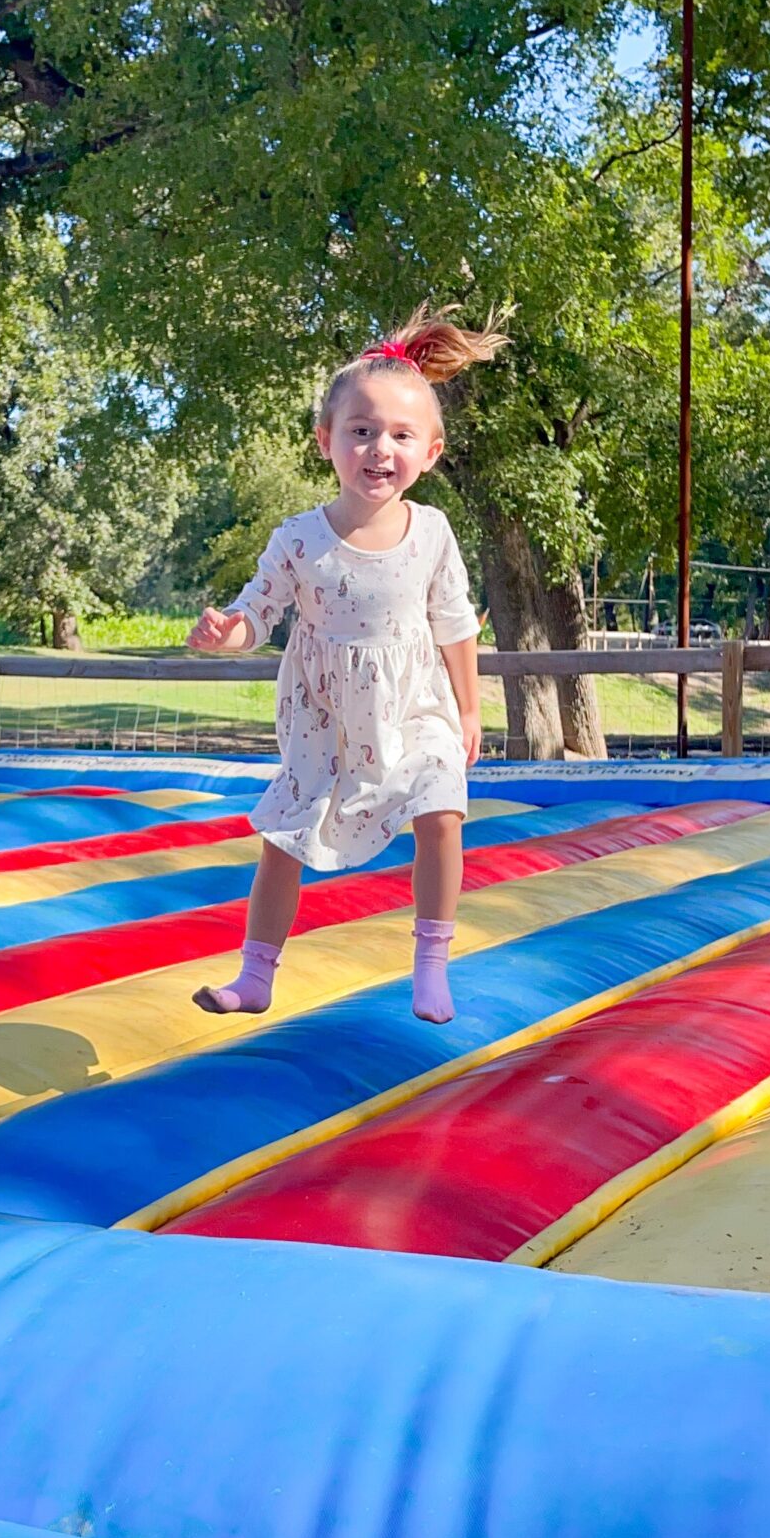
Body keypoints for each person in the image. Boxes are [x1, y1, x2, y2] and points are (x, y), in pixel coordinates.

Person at [187, 304, 506, 1025]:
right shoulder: (300, 539)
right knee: (284, 837)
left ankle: (431, 966)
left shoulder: (431, 532)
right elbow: (257, 616)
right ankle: (255, 975)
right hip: (327, 717)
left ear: (430, 452)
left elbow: (454, 623)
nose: (379, 449)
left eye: (400, 435)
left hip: (414, 705)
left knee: (442, 806)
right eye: (361, 432)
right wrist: (226, 633)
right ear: (326, 440)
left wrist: (469, 708)